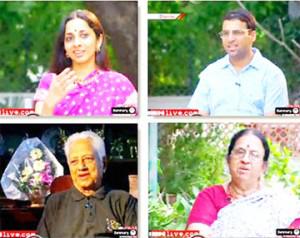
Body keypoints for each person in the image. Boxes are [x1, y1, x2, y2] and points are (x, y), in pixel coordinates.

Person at [187, 129, 300, 238]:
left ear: (264, 166)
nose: (245, 159)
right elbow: (197, 232)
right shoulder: (211, 196)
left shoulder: (280, 204)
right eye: (240, 152)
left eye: (254, 154)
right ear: (228, 159)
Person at [34, 10, 137, 116]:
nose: (77, 43)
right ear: (64, 46)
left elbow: (129, 126)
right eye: (69, 38)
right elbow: (38, 130)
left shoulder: (117, 84)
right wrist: (50, 103)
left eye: (84, 36)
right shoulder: (51, 82)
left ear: (99, 41)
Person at [188, 9, 288, 116]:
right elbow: (196, 114)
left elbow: (275, 122)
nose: (230, 39)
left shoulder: (272, 75)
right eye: (225, 33)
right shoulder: (211, 73)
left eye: (237, 33)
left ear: (252, 36)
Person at [37, 131, 137, 237]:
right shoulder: (55, 203)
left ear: (103, 163)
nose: (81, 167)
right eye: (74, 161)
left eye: (88, 159)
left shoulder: (123, 201)